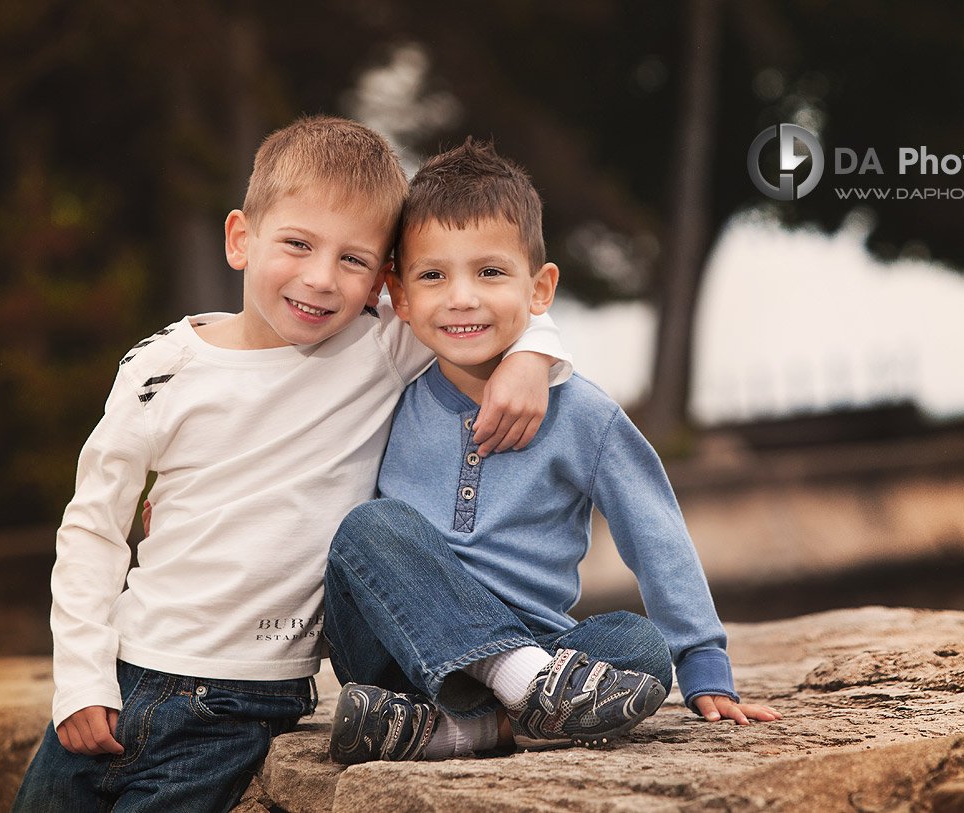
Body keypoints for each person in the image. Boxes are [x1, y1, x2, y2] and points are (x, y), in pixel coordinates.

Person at [13, 117, 571, 813]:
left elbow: (491, 307)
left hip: (239, 705)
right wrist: (81, 678)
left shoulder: (378, 350)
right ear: (241, 238)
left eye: (353, 259)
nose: (320, 278)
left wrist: (530, 356)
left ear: (383, 282)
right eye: (298, 244)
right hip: (123, 671)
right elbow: (93, 528)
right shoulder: (160, 368)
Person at [322, 138, 781, 764]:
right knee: (368, 528)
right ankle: (524, 689)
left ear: (540, 290)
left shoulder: (584, 415)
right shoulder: (387, 386)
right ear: (399, 297)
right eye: (433, 275)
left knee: (639, 646)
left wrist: (703, 663)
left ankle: (471, 729)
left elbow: (655, 533)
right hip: (400, 651)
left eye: (490, 272)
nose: (462, 297)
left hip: (540, 643)